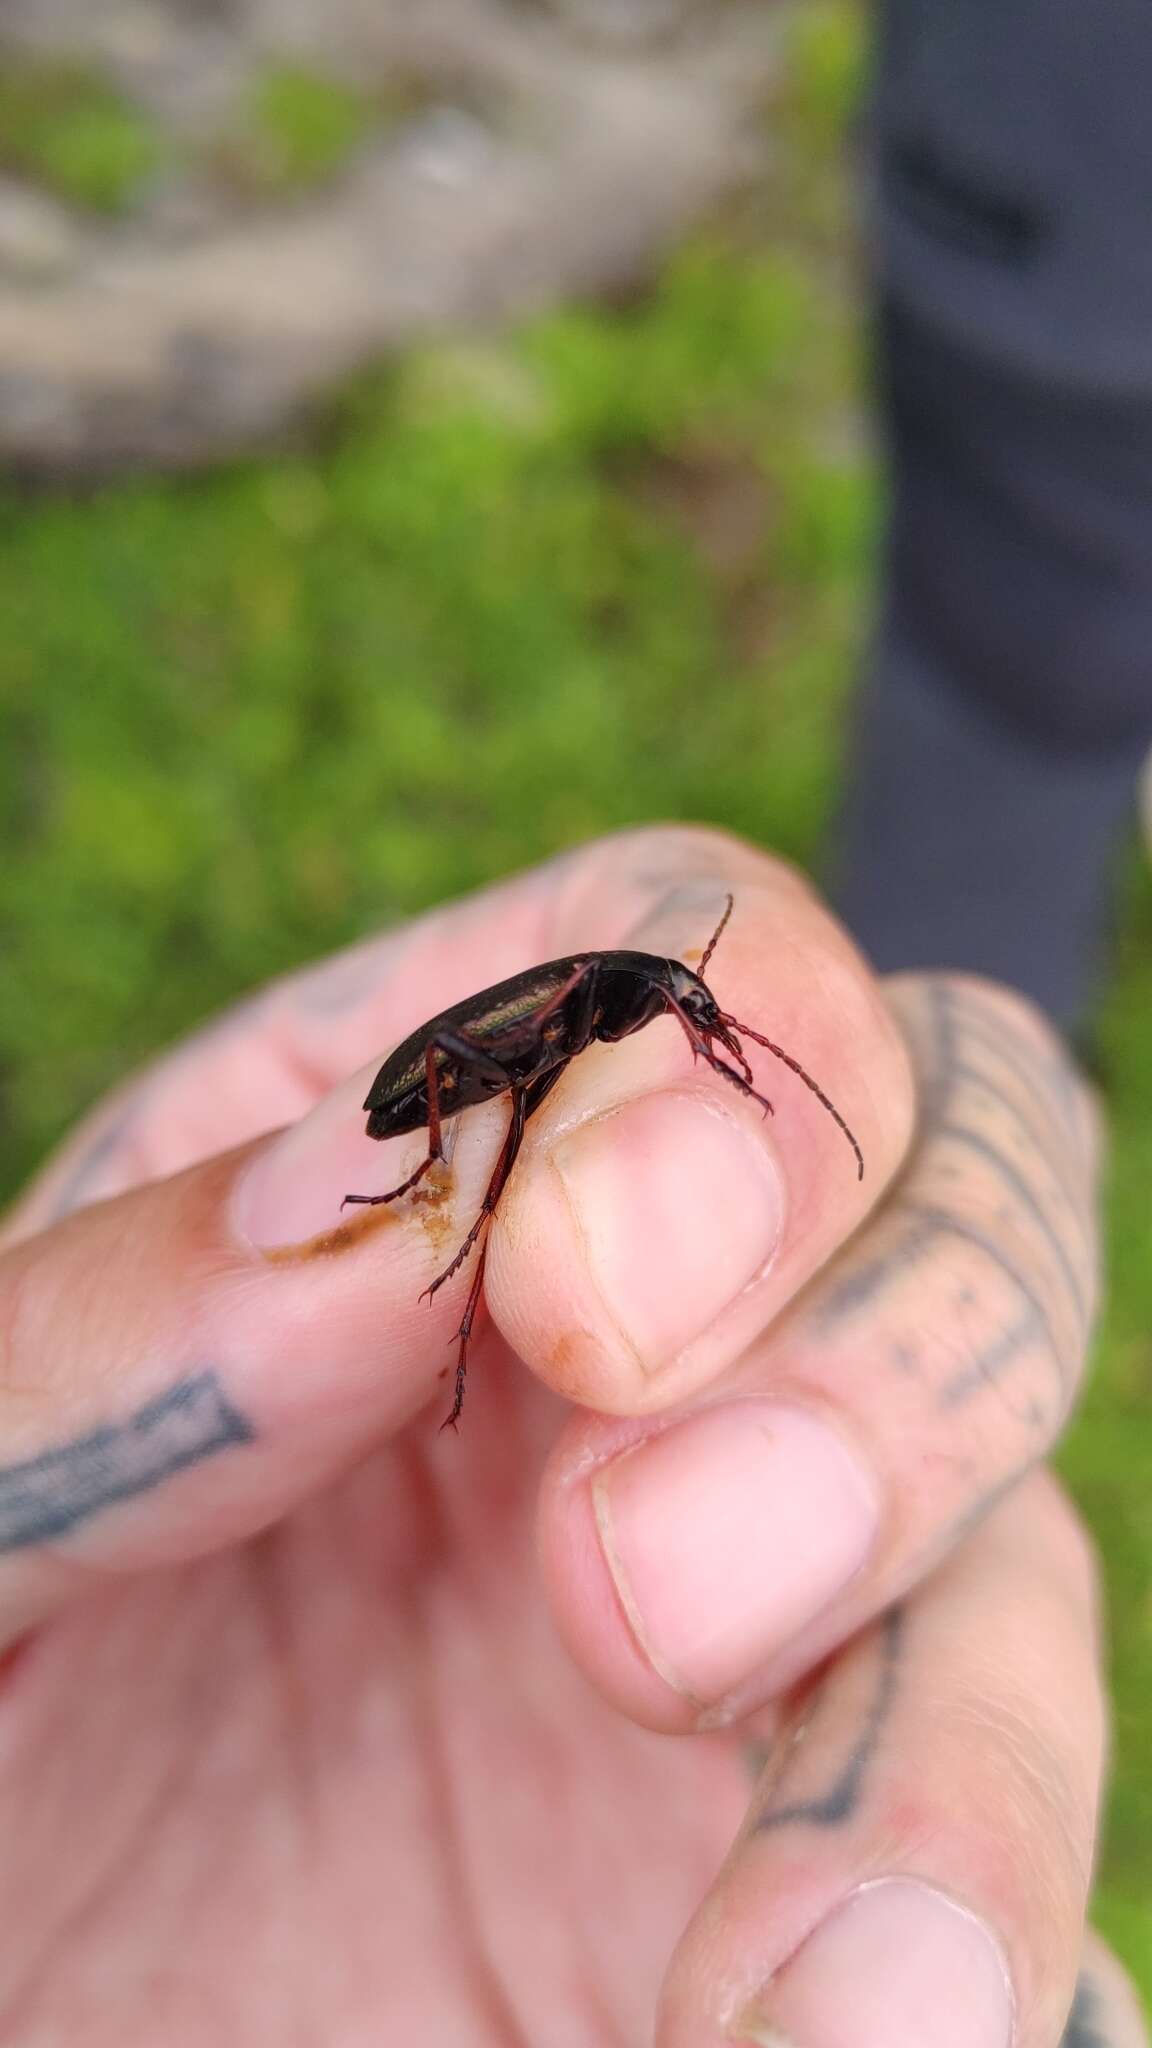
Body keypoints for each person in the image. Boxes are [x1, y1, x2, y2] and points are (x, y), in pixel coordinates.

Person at [0, 825, 1138, 2046]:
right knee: (515, 1162)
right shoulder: (578, 1002)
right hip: (415, 1088)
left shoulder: (607, 1005)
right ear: (644, 996)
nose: (699, 1028)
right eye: (690, 1012)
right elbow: (466, 1059)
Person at [835, 0, 1152, 1043]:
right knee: (1018, 667)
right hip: (1065, 214)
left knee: (1016, 674)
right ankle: (929, 1087)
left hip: (1051, 198)